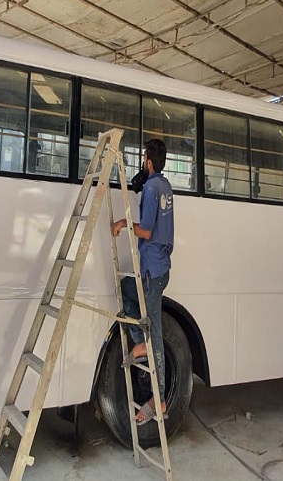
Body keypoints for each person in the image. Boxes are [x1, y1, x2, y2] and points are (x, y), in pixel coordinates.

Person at [111, 138, 174, 426]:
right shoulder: (165, 185)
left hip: (152, 270)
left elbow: (146, 231)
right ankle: (141, 343)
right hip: (159, 268)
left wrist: (122, 223)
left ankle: (158, 399)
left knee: (155, 334)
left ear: (148, 160)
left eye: (144, 157)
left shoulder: (151, 189)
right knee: (125, 291)